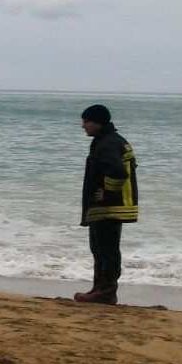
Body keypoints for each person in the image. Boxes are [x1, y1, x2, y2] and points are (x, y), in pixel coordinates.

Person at [73, 104, 138, 305]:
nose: (83, 126)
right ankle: (99, 288)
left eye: (86, 121)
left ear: (97, 123)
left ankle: (106, 292)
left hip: (110, 207)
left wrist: (106, 193)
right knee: (99, 247)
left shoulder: (108, 143)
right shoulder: (108, 140)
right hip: (109, 207)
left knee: (105, 249)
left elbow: (118, 172)